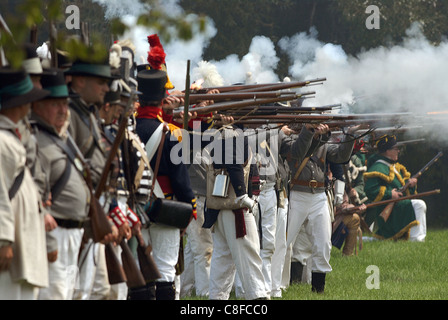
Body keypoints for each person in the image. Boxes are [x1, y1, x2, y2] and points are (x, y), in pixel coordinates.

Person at [135, 68, 197, 300]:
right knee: (165, 271)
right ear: (163, 98)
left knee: (140, 272)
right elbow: (180, 179)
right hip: (166, 208)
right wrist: (189, 208)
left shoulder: (126, 129)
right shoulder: (170, 134)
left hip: (134, 209)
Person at [30, 68, 91, 300]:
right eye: (55, 104)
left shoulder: (59, 138)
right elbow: (35, 191)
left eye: (65, 104)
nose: (63, 111)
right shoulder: (35, 139)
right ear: (37, 104)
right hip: (54, 232)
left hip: (73, 233)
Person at [281, 123, 357, 293]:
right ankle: (277, 285)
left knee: (323, 243)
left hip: (319, 195)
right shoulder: (293, 140)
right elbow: (299, 151)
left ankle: (318, 289)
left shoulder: (324, 143)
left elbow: (340, 157)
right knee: (284, 242)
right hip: (297, 194)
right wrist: (311, 133)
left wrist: (350, 134)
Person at [65, 58, 117, 300]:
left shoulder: (87, 112)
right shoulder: (70, 114)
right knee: (76, 289)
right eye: (101, 82)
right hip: (80, 208)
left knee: (93, 288)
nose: (106, 89)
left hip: (93, 207)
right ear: (80, 81)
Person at [0, 67, 50, 300]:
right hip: (12, 240)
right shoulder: (2, 139)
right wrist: (4, 240)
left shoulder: (12, 134)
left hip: (25, 237)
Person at [203, 123, 268, 300]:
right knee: (250, 257)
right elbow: (233, 163)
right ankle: (258, 299)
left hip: (224, 209)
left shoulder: (222, 134)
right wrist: (242, 194)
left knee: (222, 262)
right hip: (235, 208)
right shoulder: (232, 135)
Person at [363, 134, 427, 241]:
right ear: (387, 151)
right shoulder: (378, 167)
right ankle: (417, 239)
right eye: (396, 149)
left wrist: (410, 184)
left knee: (418, 204)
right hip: (387, 208)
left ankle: (417, 238)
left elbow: (403, 188)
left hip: (398, 206)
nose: (398, 151)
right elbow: (370, 190)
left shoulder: (395, 166)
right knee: (420, 204)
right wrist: (390, 194)